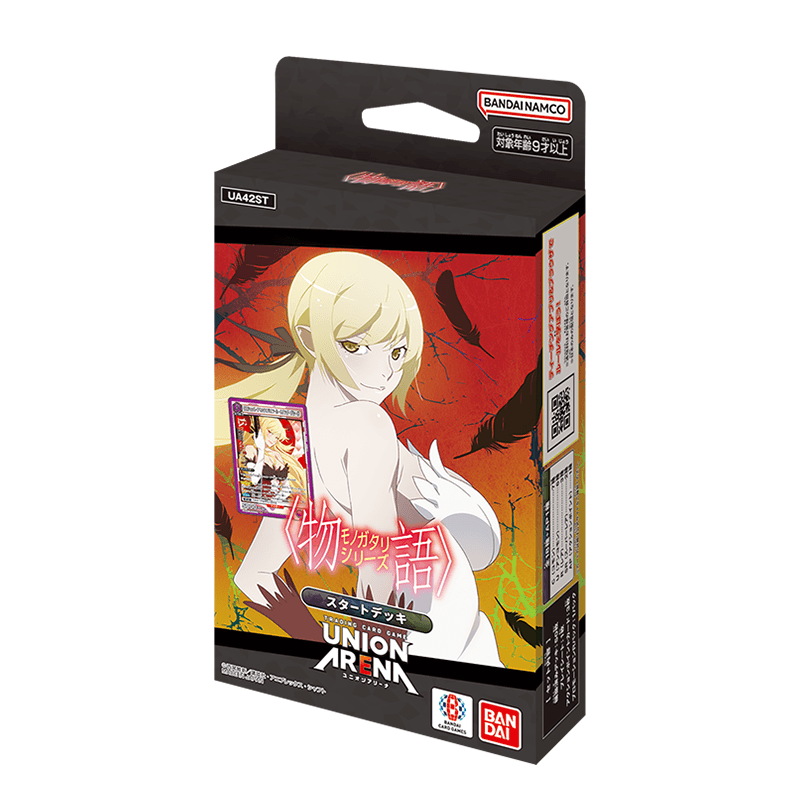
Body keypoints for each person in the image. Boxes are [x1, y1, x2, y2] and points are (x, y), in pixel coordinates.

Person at [216, 251, 503, 666]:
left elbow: (372, 563)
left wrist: (325, 645)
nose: (386, 371)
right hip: (425, 626)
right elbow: (258, 574)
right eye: (357, 346)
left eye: (397, 352)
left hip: (429, 617)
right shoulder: (344, 427)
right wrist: (348, 654)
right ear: (309, 339)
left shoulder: (281, 435)